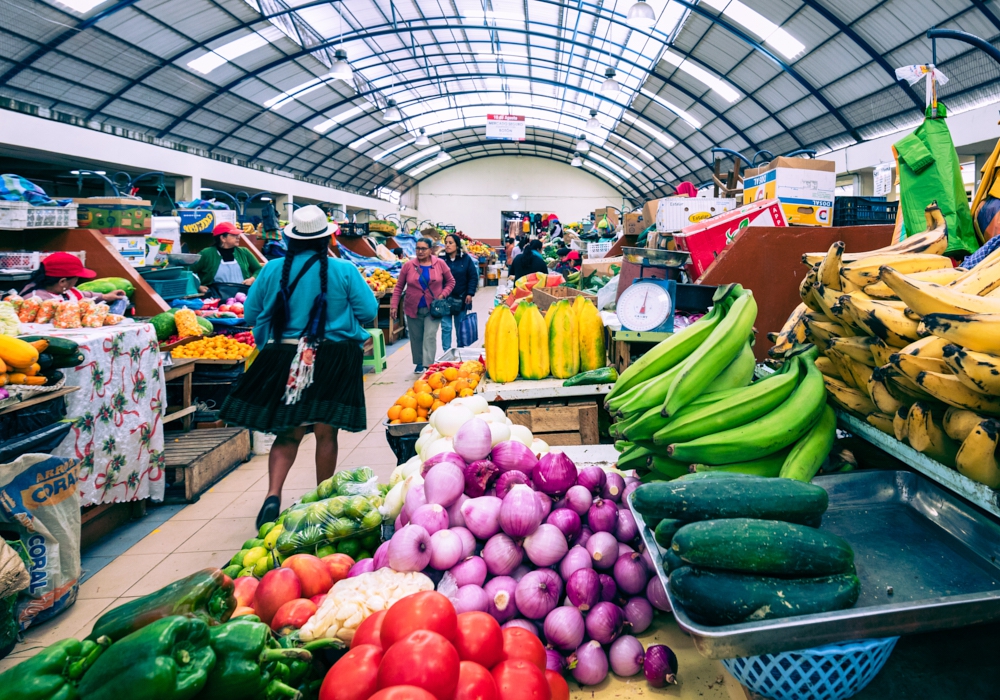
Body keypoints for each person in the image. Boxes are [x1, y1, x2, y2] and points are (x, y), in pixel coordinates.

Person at [218, 205, 378, 528]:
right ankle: (322, 499)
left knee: (288, 433)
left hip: (285, 359)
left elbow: (250, 315)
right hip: (334, 359)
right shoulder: (344, 271)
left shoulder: (272, 269)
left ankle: (272, 496)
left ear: (292, 238)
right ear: (326, 239)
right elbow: (369, 311)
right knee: (325, 433)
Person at [390, 237, 455, 374]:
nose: (420, 251)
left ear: (431, 250)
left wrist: (443, 294)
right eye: (418, 248)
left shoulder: (440, 264)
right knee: (416, 336)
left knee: (429, 336)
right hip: (413, 307)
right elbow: (399, 287)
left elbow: (451, 282)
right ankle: (419, 363)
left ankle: (428, 365)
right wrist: (394, 305)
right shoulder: (408, 265)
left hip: (433, 308)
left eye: (423, 248)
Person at [19, 252, 126, 303]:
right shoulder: (35, 300)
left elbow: (83, 294)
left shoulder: (62, 290)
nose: (77, 281)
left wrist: (105, 296)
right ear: (62, 282)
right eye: (76, 278)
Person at [190, 221, 263, 293]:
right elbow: (187, 272)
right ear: (223, 238)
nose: (238, 237)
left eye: (238, 234)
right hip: (215, 297)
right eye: (233, 235)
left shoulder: (244, 252)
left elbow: (259, 269)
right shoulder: (206, 254)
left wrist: (252, 279)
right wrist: (198, 286)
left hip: (241, 295)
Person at [440, 233, 478, 349]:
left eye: (450, 243)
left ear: (457, 245)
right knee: (446, 327)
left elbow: (473, 277)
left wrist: (470, 293)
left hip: (461, 299)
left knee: (460, 327)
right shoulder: (441, 259)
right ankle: (447, 352)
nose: (447, 245)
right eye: (446, 243)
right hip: (444, 299)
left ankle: (460, 351)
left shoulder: (465, 259)